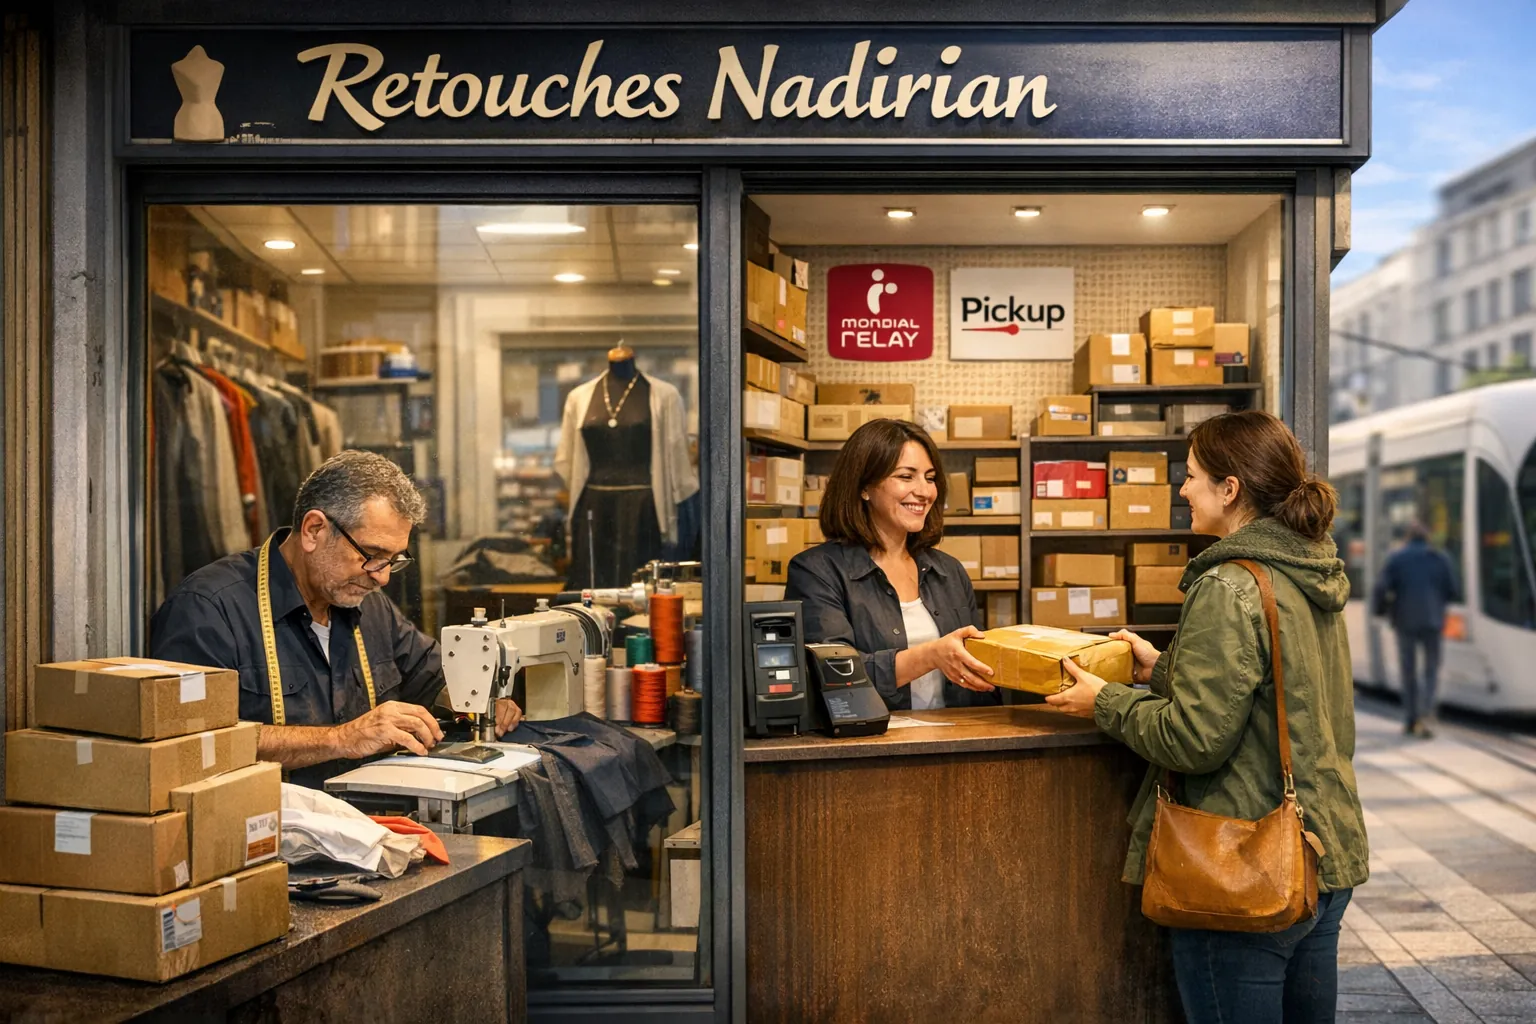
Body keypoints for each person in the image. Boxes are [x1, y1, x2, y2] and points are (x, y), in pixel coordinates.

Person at [1045, 410, 1368, 1024]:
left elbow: (1194, 740)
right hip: (1321, 854)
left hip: (1245, 865)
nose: (1181, 489)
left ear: (1230, 488)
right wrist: (1161, 670)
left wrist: (1104, 702)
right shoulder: (1309, 571)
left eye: (1191, 476)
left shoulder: (1227, 584)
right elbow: (1285, 689)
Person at [151, 450, 523, 785]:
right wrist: (342, 738)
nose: (382, 576)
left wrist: (484, 701)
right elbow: (192, 744)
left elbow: (434, 678)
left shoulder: (370, 606)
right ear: (314, 530)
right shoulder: (208, 609)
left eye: (394, 560)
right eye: (373, 554)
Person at [785, 419, 999, 710]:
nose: (925, 492)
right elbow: (830, 675)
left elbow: (980, 669)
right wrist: (930, 656)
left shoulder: (949, 571)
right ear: (864, 487)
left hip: (955, 744)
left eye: (930, 477)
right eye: (906, 476)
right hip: (872, 748)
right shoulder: (817, 572)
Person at [1372, 522, 1460, 738]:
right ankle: (1427, 714)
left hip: (1405, 621)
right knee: (1430, 670)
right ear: (1427, 539)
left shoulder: (1397, 558)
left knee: (1408, 671)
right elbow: (1453, 590)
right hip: (1433, 621)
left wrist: (1381, 610)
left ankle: (1411, 719)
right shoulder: (1440, 558)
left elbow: (1381, 587)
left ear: (1408, 538)